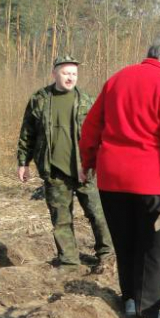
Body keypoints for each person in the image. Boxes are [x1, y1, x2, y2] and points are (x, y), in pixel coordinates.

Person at [79, 35, 160, 318]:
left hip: (111, 182)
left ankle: (131, 300)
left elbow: (91, 126)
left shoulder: (116, 80)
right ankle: (148, 315)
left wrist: (87, 162)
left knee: (126, 242)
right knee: (156, 250)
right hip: (153, 184)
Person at [16, 55, 113, 272]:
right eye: (66, 73)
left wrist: (99, 163)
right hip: (54, 171)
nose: (70, 78)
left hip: (84, 170)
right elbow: (27, 132)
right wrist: (23, 162)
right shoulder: (39, 99)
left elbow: (102, 135)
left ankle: (107, 255)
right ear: (54, 74)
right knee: (61, 220)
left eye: (74, 74)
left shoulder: (87, 101)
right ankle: (69, 262)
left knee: (98, 215)